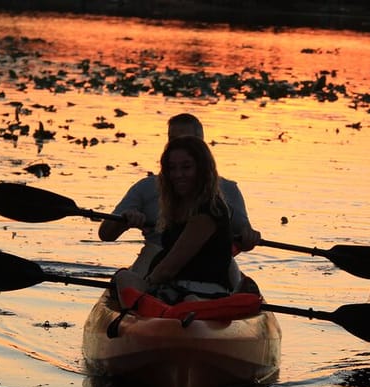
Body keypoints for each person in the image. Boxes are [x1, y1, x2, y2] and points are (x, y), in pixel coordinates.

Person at [98, 113, 260, 276]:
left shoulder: (228, 189)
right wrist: (124, 221)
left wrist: (249, 237)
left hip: (210, 259)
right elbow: (105, 234)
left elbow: (244, 235)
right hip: (157, 251)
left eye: (187, 140)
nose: (180, 145)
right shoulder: (146, 187)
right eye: (173, 139)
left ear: (202, 145)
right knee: (128, 278)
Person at [113, 135, 233, 307]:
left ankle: (144, 314)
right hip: (178, 289)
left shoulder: (208, 210)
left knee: (124, 277)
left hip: (203, 292)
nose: (178, 175)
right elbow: (105, 233)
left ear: (202, 169)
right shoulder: (179, 207)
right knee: (125, 277)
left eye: (186, 167)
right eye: (172, 168)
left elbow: (168, 269)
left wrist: (147, 282)